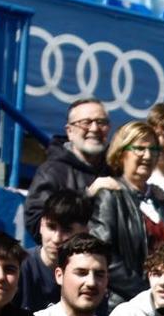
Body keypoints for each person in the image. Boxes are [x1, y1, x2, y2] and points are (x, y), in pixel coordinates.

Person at [86, 121, 164, 309]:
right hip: (121, 304)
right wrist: (144, 292)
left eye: (153, 150)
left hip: (163, 303)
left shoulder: (161, 201)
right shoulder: (110, 195)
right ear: (122, 153)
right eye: (139, 149)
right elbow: (103, 254)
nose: (148, 155)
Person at [22, 99, 112, 236]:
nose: (94, 129)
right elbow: (35, 222)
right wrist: (87, 195)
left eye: (101, 122)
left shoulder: (115, 169)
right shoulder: (51, 171)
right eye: (86, 123)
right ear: (69, 131)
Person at [17, 189, 93, 311]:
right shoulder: (18, 266)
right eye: (51, 227)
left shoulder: (92, 274)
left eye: (67, 230)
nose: (57, 238)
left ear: (85, 232)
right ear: (41, 225)